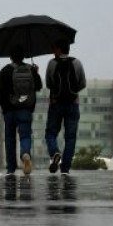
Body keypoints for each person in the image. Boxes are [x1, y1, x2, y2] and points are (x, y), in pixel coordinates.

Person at [0, 46, 43, 176]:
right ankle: (25, 153)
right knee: (25, 135)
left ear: (11, 57)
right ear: (23, 56)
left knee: (9, 138)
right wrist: (36, 72)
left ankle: (11, 168)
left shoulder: (6, 70)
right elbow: (39, 86)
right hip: (25, 109)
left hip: (9, 111)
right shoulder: (30, 69)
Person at [45, 39, 86, 174]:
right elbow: (82, 83)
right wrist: (73, 94)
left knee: (51, 133)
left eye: (54, 48)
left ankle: (55, 153)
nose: (52, 51)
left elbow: (49, 83)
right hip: (72, 104)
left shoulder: (52, 64)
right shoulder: (77, 63)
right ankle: (65, 168)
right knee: (70, 137)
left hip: (56, 104)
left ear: (59, 50)